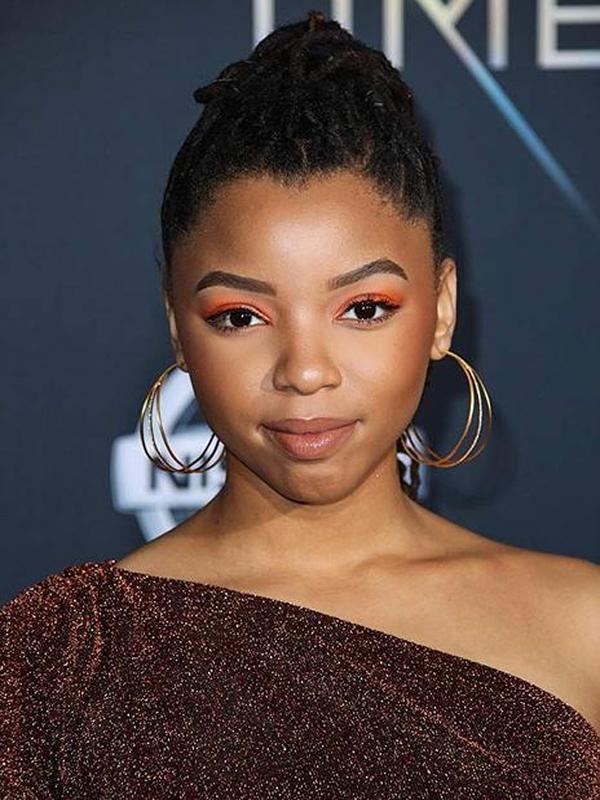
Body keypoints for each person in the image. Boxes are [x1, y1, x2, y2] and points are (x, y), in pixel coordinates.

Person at [2, 9, 599, 798]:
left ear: (442, 309)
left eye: (364, 308)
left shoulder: (584, 627)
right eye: (240, 317)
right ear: (178, 326)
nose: (306, 372)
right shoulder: (63, 658)